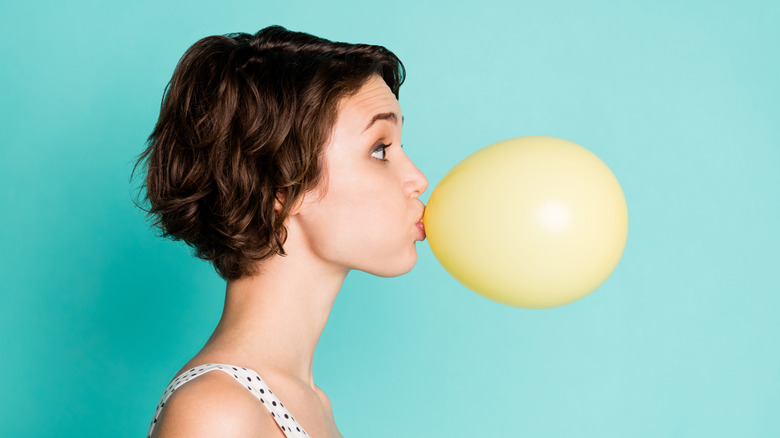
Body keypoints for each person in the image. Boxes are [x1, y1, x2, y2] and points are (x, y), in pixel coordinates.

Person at [133, 25, 428, 437]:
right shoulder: (219, 411)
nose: (417, 179)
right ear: (281, 185)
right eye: (380, 149)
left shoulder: (310, 402)